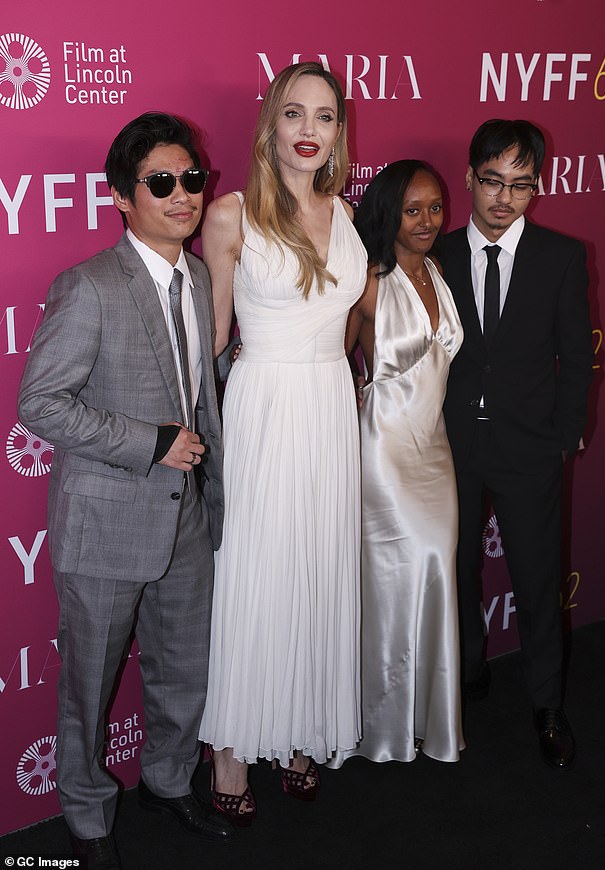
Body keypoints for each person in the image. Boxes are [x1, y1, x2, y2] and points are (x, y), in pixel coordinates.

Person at [18, 112, 232, 870]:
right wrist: (150, 444)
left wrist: (218, 493)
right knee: (89, 684)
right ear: (121, 196)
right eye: (162, 182)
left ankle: (168, 780)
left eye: (192, 179)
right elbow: (39, 405)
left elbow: (200, 393)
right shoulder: (88, 286)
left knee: (184, 670)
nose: (182, 196)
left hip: (188, 520)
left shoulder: (200, 276)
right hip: (107, 525)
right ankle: (85, 818)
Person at [197, 61, 367, 825]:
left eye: (325, 117)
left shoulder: (346, 213)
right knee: (257, 571)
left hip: (330, 406)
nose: (309, 131)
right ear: (271, 123)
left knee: (316, 566)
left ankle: (300, 730)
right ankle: (231, 747)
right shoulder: (232, 214)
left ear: (338, 133)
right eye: (294, 113)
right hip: (264, 404)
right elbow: (211, 339)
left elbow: (347, 321)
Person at [441, 119, 594, 769]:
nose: (504, 199)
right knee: (456, 573)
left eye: (521, 186)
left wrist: (562, 438)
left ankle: (546, 703)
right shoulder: (437, 254)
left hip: (531, 448)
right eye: (493, 182)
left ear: (537, 188)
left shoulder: (562, 255)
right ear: (470, 178)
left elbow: (576, 359)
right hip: (448, 448)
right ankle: (469, 671)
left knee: (536, 582)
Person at [331, 160, 464, 767]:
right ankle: (377, 726)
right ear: (388, 212)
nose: (427, 221)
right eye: (412, 210)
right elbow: (327, 361)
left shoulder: (438, 271)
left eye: (435, 207)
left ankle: (424, 719)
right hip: (382, 449)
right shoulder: (368, 281)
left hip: (434, 449)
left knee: (435, 570)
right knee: (390, 586)